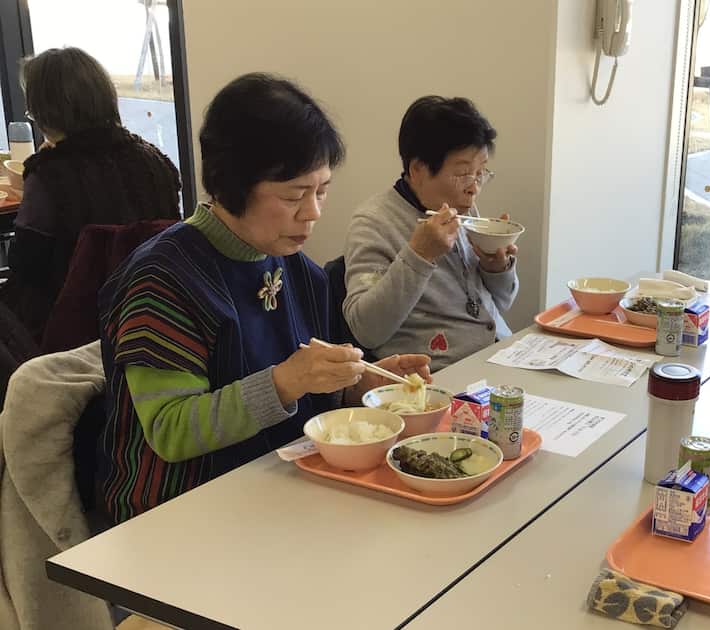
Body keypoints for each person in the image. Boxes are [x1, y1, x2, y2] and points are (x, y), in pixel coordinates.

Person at [96, 74, 430, 524]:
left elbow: (308, 390)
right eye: (295, 194)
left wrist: (357, 385)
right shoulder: (162, 281)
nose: (312, 212)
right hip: (180, 515)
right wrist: (285, 381)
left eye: (322, 189)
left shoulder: (297, 269)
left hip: (282, 486)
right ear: (232, 186)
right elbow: (170, 431)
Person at [4, 47, 181, 340]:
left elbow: (26, 265)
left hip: (72, 321)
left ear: (46, 112)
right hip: (156, 308)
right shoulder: (154, 160)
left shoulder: (49, 174)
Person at [343, 96, 518, 372]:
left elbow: (503, 302)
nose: (474, 188)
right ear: (417, 170)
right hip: (439, 375)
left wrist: (497, 268)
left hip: (498, 357)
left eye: (481, 172)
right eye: (463, 174)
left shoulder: (462, 209)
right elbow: (366, 330)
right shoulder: (374, 222)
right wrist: (419, 255)